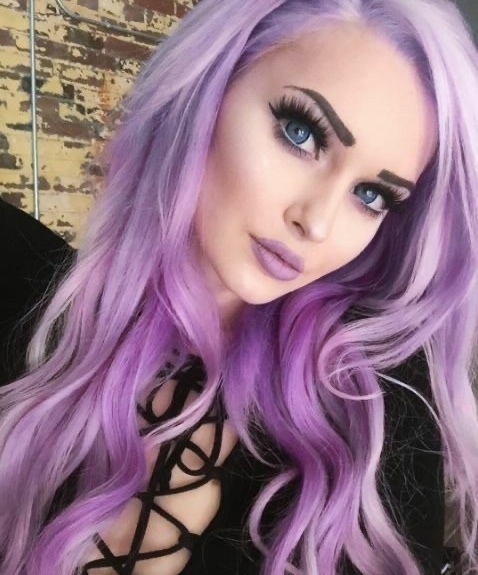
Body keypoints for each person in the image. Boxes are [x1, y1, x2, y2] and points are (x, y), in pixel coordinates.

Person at [0, 0, 477, 573]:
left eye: (371, 195)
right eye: (301, 133)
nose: (317, 223)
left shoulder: (367, 407)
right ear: (206, 90)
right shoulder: (29, 299)